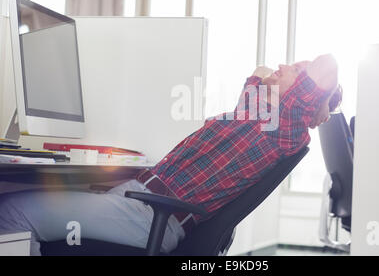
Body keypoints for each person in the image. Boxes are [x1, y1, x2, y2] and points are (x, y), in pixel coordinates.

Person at [0, 54, 341, 256]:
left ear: (305, 101)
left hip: (150, 217)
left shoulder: (284, 131)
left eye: (296, 68)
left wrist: (315, 99)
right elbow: (260, 71)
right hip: (136, 199)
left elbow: (327, 65)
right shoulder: (254, 119)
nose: (283, 64)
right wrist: (273, 80)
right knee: (25, 201)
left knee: (12, 212)